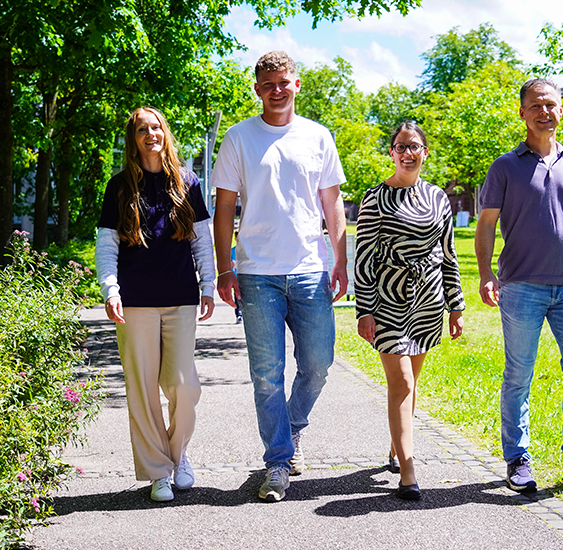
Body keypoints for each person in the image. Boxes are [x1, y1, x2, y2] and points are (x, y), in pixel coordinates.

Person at [210, 51, 348, 502]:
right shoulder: (238, 138)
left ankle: (291, 430)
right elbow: (225, 208)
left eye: (283, 82)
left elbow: (333, 207)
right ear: (256, 87)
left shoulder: (317, 136)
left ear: (296, 84)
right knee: (266, 374)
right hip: (256, 273)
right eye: (268, 83)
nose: (276, 90)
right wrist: (225, 267)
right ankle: (278, 461)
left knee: (318, 365)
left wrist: (339, 261)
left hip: (310, 268)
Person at [475, 78, 563, 492]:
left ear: (561, 110)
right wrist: (484, 273)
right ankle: (518, 460)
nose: (544, 111)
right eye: (535, 105)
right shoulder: (504, 167)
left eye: (550, 104)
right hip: (521, 287)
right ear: (522, 113)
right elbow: (486, 226)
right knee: (519, 373)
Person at [95, 106, 215, 502]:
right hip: (135, 302)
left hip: (180, 297)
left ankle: (179, 455)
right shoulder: (119, 187)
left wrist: (209, 285)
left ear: (165, 133)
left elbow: (202, 240)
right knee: (142, 388)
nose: (151, 134)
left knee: (183, 384)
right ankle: (158, 470)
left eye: (156, 127)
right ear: (134, 139)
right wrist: (110, 289)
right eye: (142, 129)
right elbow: (107, 245)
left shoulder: (188, 182)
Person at [355, 122, 465, 501]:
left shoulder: (438, 198)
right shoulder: (375, 198)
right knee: (401, 381)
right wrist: (363, 310)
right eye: (401, 146)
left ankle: (394, 448)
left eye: (414, 146)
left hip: (428, 301)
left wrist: (456, 305)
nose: (407, 152)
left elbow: (448, 254)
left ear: (424, 152)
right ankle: (408, 469)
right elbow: (365, 257)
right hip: (388, 299)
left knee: (411, 383)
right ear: (392, 152)